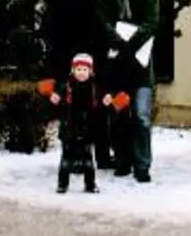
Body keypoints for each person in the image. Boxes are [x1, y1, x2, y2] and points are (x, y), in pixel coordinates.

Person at [42, 0, 112, 168]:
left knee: (98, 106)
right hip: (68, 58)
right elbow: (51, 28)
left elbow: (103, 24)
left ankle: (101, 156)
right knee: (70, 110)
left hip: (95, 58)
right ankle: (71, 156)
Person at [101, 0, 159, 182]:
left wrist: (129, 45)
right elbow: (103, 21)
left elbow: (152, 22)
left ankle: (142, 166)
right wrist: (116, 41)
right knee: (118, 116)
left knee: (142, 117)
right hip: (116, 67)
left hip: (140, 64)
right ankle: (123, 162)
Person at [37, 53, 128, 193]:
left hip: (87, 126)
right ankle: (62, 183)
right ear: (73, 70)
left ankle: (90, 184)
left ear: (90, 71)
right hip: (69, 125)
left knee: (87, 157)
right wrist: (55, 98)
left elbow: (103, 99)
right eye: (78, 69)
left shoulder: (95, 87)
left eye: (84, 70)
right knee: (66, 156)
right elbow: (58, 98)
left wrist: (107, 100)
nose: (81, 73)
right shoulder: (66, 86)